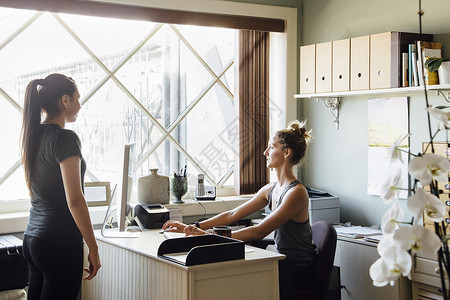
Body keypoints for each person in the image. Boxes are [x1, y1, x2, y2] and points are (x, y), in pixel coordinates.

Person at [162, 120, 316, 299]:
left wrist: (209, 237)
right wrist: (194, 226)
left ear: (286, 152)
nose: (265, 152)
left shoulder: (296, 193)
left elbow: (259, 231)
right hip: (283, 263)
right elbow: (233, 214)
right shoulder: (270, 189)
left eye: (271, 147)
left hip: (297, 269)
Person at [20, 73, 101, 300]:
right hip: (59, 242)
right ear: (65, 101)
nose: (80, 104)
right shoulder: (65, 138)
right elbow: (74, 199)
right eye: (77, 98)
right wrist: (93, 248)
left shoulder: (33, 136)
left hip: (33, 240)